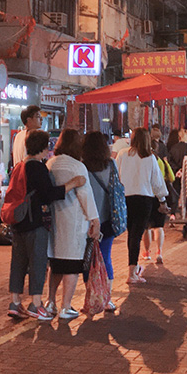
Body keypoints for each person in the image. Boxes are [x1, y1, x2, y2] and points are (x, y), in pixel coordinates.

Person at [6, 130, 83, 320]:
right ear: (43, 147)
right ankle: (36, 304)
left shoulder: (19, 166)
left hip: (18, 222)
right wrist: (72, 184)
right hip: (35, 222)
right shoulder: (38, 168)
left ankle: (15, 302)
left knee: (18, 263)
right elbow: (48, 194)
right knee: (38, 263)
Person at [46, 130, 100, 320]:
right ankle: (65, 306)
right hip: (74, 221)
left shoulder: (50, 163)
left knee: (56, 264)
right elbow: (85, 196)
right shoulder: (78, 166)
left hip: (54, 221)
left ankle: (50, 302)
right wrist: (94, 219)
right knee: (72, 265)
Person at [115, 128, 166, 285]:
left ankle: (133, 268)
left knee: (132, 234)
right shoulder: (150, 157)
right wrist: (162, 200)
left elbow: (116, 176)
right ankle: (132, 272)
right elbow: (157, 182)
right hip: (144, 200)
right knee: (137, 234)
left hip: (126, 198)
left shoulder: (123, 154)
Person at [82, 131, 119, 312]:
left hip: (87, 220)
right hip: (107, 218)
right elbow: (117, 187)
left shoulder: (82, 166)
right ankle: (107, 298)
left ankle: (92, 297)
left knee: (88, 259)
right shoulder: (111, 164)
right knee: (106, 257)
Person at [11, 105, 44, 169]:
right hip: (28, 173)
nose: (41, 119)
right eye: (37, 116)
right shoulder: (31, 136)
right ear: (29, 120)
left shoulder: (19, 135)